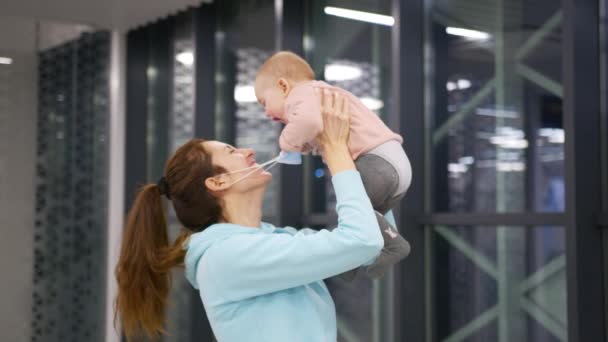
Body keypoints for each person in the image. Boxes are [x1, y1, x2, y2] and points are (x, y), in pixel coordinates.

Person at [114, 91, 408, 342]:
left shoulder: (273, 239)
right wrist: (335, 150)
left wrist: (368, 164)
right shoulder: (226, 256)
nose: (248, 150)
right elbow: (361, 241)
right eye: (231, 151)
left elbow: (370, 247)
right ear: (217, 183)